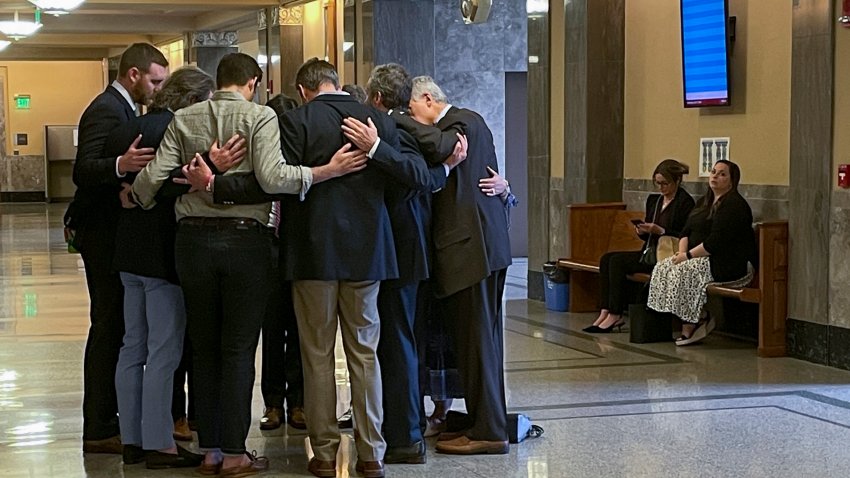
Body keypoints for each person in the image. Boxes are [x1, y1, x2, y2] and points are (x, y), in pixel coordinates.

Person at [128, 53, 364, 477]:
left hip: (191, 243)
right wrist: (322, 172)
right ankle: (236, 453)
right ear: (253, 82)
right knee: (238, 348)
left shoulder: (184, 119)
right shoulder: (259, 117)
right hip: (244, 243)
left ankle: (211, 451)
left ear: (218, 81)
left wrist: (180, 181)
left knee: (204, 346)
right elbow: (274, 180)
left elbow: (147, 185)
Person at [341, 62, 465, 466]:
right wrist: (443, 168)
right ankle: (402, 431)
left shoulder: (392, 127)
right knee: (400, 341)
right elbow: (428, 173)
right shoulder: (406, 127)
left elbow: (417, 174)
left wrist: (379, 149)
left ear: (376, 98)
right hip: (405, 248)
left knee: (398, 343)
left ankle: (407, 435)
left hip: (400, 250)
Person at [107, 66, 214, 468]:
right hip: (164, 255)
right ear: (192, 101)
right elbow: (184, 184)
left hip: (128, 254)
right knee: (164, 352)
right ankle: (159, 443)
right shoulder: (181, 131)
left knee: (131, 347)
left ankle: (132, 438)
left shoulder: (130, 129)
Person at [67, 42, 168, 455]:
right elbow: (83, 169)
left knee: (115, 328)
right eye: (155, 80)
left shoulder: (122, 108)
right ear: (133, 75)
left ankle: (109, 421)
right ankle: (99, 425)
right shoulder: (108, 109)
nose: (159, 90)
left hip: (109, 234)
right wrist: (120, 167)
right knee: (108, 327)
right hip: (103, 236)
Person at [406, 76, 512, 455]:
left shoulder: (460, 125)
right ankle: (480, 420)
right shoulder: (471, 121)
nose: (411, 118)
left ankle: (489, 430)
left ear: (428, 99)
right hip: (481, 250)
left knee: (479, 343)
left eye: (411, 109)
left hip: (471, 252)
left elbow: (441, 153)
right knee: (477, 343)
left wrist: (392, 122)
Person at [647, 160, 756, 346]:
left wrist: (687, 257)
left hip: (728, 263)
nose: (715, 176)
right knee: (664, 267)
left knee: (685, 270)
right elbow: (685, 231)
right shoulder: (703, 202)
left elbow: (715, 242)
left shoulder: (734, 205)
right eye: (713, 171)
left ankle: (693, 322)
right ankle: (686, 316)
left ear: (732, 180)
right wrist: (681, 253)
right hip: (699, 257)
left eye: (722, 174)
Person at [584, 159, 695, 333]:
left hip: (668, 254)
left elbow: (685, 234)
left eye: (665, 183)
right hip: (650, 251)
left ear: (677, 181)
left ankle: (616, 314)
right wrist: (642, 231)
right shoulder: (654, 201)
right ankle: (605, 310)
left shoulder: (685, 203)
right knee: (607, 259)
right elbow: (647, 236)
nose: (661, 188)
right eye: (658, 183)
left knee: (618, 263)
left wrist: (660, 230)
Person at [257, 92, 307, 432]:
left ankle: (300, 402)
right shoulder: (261, 156)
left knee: (302, 329)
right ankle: (273, 404)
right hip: (267, 249)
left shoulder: (302, 158)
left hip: (299, 249)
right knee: (272, 329)